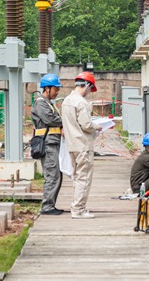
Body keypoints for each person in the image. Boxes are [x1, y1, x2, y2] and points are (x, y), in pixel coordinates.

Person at [61, 71, 102, 219]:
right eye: (90, 89)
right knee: (83, 178)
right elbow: (86, 125)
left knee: (77, 177)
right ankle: (78, 210)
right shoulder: (81, 102)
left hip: (72, 145)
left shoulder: (66, 101)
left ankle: (77, 206)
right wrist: (97, 126)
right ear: (87, 85)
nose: (89, 93)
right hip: (83, 145)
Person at [32, 73, 64, 215]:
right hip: (48, 144)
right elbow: (51, 119)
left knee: (57, 174)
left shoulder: (48, 103)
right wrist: (64, 121)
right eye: (55, 89)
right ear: (47, 88)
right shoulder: (40, 103)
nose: (57, 91)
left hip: (53, 143)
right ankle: (47, 207)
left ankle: (51, 204)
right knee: (52, 174)